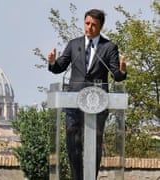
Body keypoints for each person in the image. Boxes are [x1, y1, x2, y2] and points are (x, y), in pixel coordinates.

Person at [48, 9, 127, 180]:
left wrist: (121, 70)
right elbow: (59, 67)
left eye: (94, 25)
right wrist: (52, 61)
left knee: (94, 145)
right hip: (73, 102)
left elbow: (116, 75)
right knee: (73, 143)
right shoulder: (73, 44)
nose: (89, 28)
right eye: (87, 23)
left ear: (100, 27)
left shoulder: (109, 47)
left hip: (97, 103)